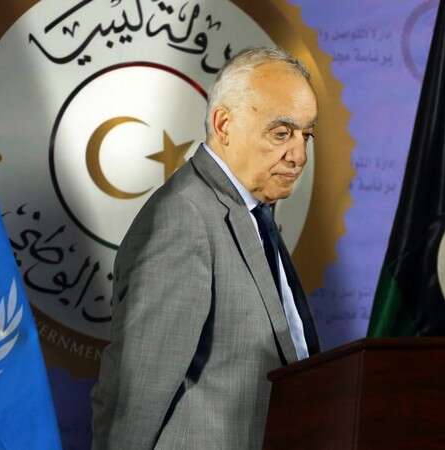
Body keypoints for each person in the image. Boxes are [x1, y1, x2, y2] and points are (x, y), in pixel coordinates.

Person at [91, 47, 321, 450]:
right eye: (281, 133)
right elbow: (136, 397)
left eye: (306, 135)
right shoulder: (183, 219)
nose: (299, 155)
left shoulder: (252, 211)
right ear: (224, 124)